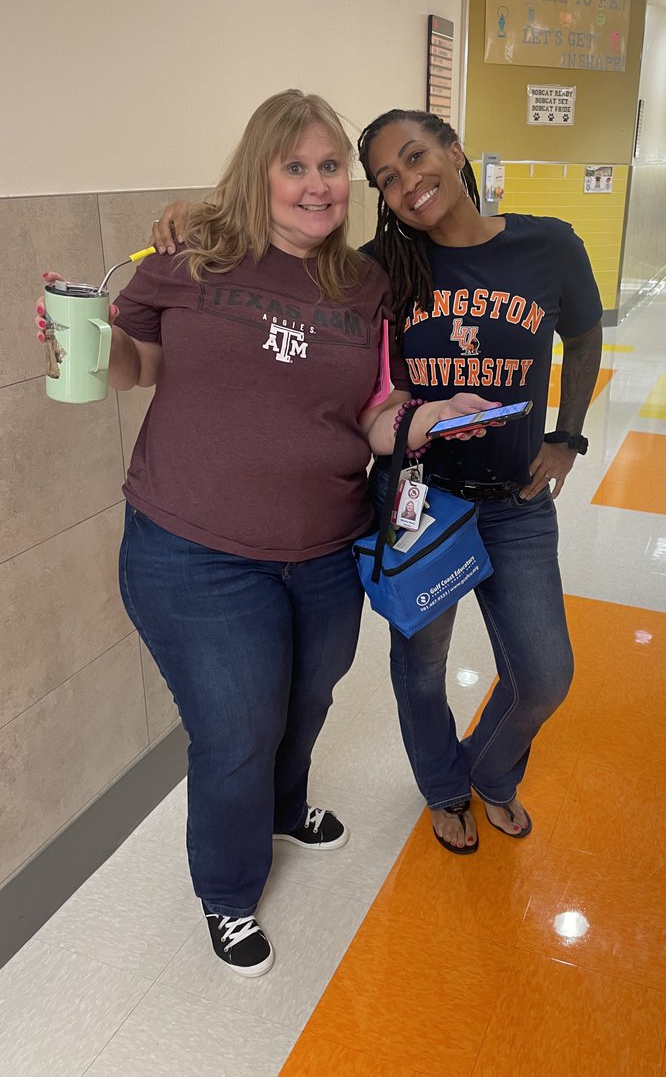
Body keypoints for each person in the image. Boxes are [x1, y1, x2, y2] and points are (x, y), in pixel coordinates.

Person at [35, 91, 493, 976]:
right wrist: (83, 344)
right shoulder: (191, 258)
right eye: (296, 168)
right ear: (262, 171)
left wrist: (426, 418)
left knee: (309, 700)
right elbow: (134, 366)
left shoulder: (362, 284)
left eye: (330, 169)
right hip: (194, 552)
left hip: (324, 549)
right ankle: (229, 890)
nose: (317, 187)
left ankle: (286, 808)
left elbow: (370, 415)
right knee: (238, 726)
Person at [152, 107, 603, 857]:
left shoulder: (547, 245)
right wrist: (197, 214)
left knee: (546, 675)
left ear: (455, 152)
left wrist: (567, 437)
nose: (408, 182)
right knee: (422, 670)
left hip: (515, 502)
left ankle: (489, 773)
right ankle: (444, 789)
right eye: (387, 178)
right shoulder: (375, 271)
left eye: (418, 157)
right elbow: (284, 243)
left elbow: (583, 336)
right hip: (416, 504)